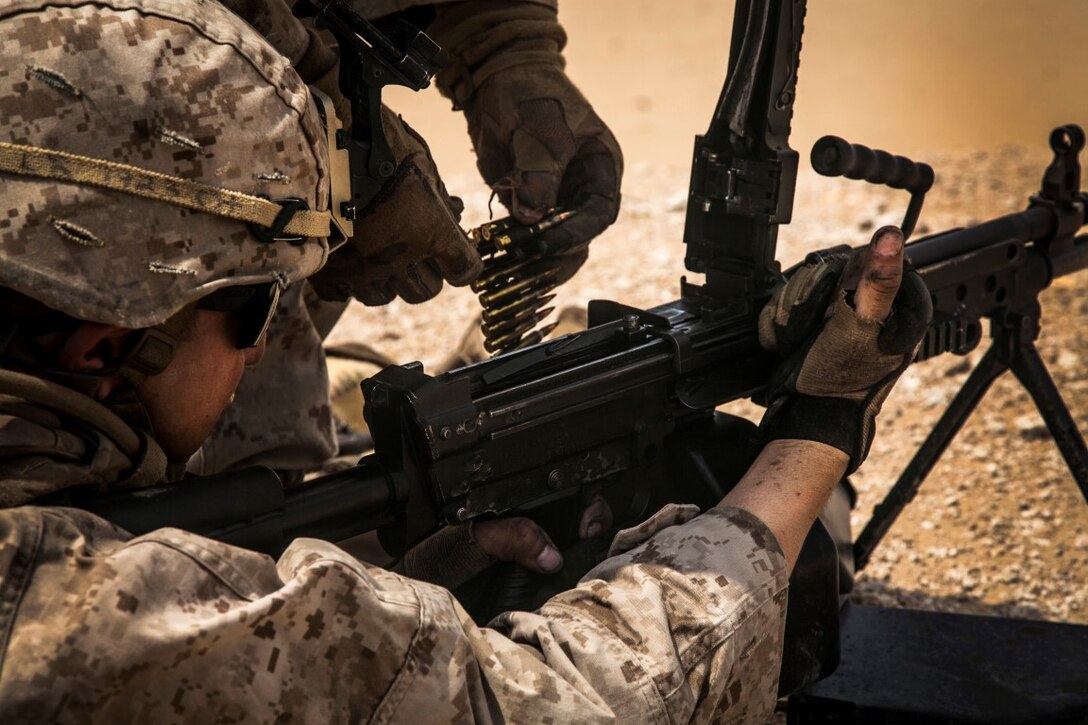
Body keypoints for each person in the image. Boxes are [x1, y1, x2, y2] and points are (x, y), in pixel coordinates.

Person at [0, 1, 930, 722]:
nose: (269, 343)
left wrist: (506, 51)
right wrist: (815, 435)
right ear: (105, 342)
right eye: (257, 308)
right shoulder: (85, 614)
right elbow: (575, 703)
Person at [190, 0, 625, 483]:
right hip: (178, 138)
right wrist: (326, 112)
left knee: (264, 449)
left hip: (284, 93)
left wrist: (507, 42)